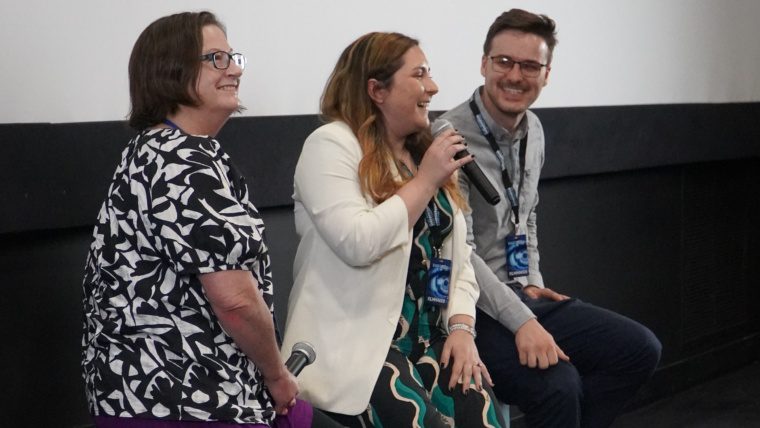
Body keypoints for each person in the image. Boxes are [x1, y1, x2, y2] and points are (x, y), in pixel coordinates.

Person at [81, 11, 313, 427]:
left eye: (233, 57)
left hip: (150, 397)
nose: (236, 69)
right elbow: (236, 300)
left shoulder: (158, 149)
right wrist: (277, 375)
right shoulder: (182, 160)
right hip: (185, 400)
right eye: (217, 59)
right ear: (172, 70)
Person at [435, 8, 662, 428]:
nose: (515, 76)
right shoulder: (449, 137)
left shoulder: (533, 129)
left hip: (522, 295)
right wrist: (522, 322)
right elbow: (458, 251)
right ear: (484, 64)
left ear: (547, 73)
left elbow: (527, 215)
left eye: (530, 66)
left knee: (640, 349)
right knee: (560, 386)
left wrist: (532, 283)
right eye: (504, 62)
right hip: (470, 305)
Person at [282, 32, 505, 428]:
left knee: (482, 414)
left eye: (430, 74)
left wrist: (461, 327)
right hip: (360, 348)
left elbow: (460, 260)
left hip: (433, 341)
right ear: (376, 90)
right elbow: (359, 242)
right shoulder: (332, 145)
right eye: (419, 75)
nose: (433, 87)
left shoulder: (420, 153)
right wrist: (426, 181)